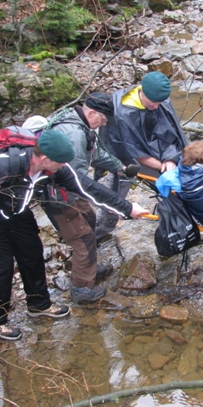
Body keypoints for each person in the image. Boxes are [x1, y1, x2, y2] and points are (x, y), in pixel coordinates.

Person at [0, 130, 149, 341]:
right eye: (60, 163)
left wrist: (127, 208)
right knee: (0, 263)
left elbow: (88, 188)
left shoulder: (55, 170)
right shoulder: (1, 165)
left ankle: (39, 304)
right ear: (44, 159)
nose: (63, 167)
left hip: (16, 209)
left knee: (32, 252)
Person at [43, 93, 138, 304]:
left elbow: (95, 154)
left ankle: (88, 268)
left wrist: (119, 168)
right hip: (61, 196)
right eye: (103, 120)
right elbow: (76, 181)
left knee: (89, 220)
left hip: (71, 190)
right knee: (83, 237)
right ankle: (81, 288)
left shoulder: (81, 123)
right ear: (92, 112)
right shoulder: (74, 134)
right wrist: (124, 207)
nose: (103, 124)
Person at [95, 72, 188, 241]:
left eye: (160, 103)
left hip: (153, 151)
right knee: (114, 199)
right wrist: (162, 167)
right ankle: (98, 233)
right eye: (153, 103)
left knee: (174, 188)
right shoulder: (122, 114)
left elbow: (169, 134)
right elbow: (134, 153)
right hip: (124, 158)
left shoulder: (159, 100)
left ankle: (179, 227)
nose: (156, 106)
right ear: (142, 92)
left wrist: (169, 159)